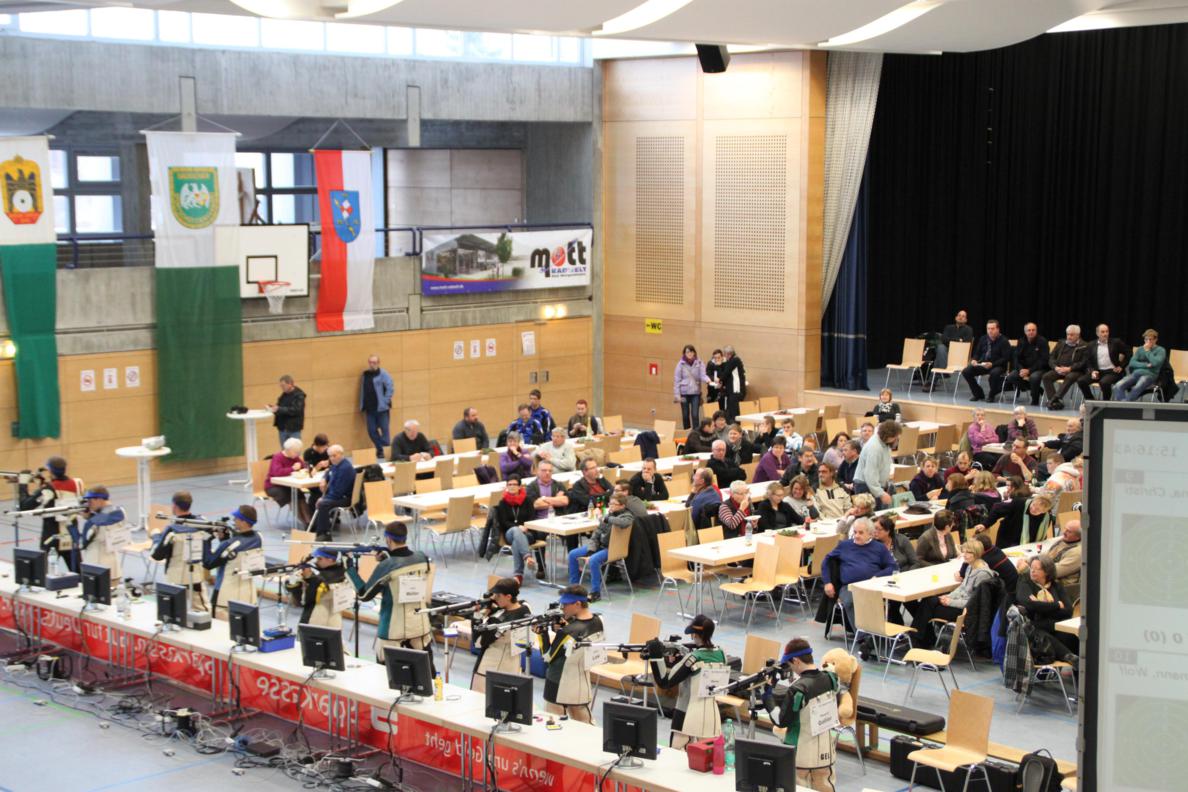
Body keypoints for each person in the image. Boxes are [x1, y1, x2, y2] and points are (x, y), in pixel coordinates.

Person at [348, 521, 434, 663]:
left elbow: (364, 594)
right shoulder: (422, 557)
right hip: (420, 627)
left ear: (388, 539)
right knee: (423, 672)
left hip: (392, 631)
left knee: (385, 674)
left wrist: (349, 568)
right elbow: (404, 570)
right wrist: (388, 558)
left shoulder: (387, 566)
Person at [762, 637, 840, 792]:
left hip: (801, 756)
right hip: (826, 753)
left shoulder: (797, 689)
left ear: (796, 661)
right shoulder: (830, 678)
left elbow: (781, 721)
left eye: (790, 664)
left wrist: (768, 698)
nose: (790, 669)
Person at [647, 614, 728, 750]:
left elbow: (664, 682)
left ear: (695, 634)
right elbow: (700, 671)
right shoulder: (721, 654)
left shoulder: (693, 658)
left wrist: (656, 656)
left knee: (676, 753)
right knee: (706, 756)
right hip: (711, 715)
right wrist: (681, 660)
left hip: (686, 713)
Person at [535, 585, 603, 723]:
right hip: (581, 681)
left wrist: (542, 634)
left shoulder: (567, 632)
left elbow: (547, 657)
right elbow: (575, 639)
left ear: (577, 604)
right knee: (585, 725)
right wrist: (565, 626)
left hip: (557, 682)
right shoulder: (598, 621)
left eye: (565, 604)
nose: (562, 608)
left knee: (554, 725)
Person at [913, 540, 998, 645]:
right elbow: (962, 588)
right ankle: (922, 638)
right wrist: (948, 596)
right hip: (959, 603)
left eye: (968, 552)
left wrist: (950, 602)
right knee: (928, 600)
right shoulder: (970, 566)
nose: (964, 555)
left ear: (976, 553)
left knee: (927, 609)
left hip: (967, 612)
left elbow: (973, 602)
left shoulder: (982, 574)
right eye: (964, 551)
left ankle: (919, 639)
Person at [821, 517, 897, 634]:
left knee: (888, 601)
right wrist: (827, 582)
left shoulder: (879, 548)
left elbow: (892, 566)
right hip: (849, 586)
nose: (856, 536)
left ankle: (880, 633)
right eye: (855, 532)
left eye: (861, 533)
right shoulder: (844, 545)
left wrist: (878, 576)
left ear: (870, 534)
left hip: (872, 586)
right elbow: (826, 560)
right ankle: (863, 637)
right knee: (850, 601)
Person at [567, 492, 633, 601]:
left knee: (593, 560)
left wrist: (607, 519)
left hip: (612, 549)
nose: (610, 506)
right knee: (573, 554)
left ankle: (595, 592)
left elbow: (624, 522)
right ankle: (574, 587)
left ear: (622, 506)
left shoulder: (627, 516)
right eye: (610, 503)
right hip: (600, 546)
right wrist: (591, 550)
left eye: (614, 504)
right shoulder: (609, 516)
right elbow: (597, 534)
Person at [471, 578, 531, 693]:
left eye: (498, 596)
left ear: (508, 596)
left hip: (489, 669)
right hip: (510, 668)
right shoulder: (525, 607)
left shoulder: (498, 619)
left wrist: (478, 616)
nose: (494, 598)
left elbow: (478, 642)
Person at [149, 491, 207, 609]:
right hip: (196, 576)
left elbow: (157, 555)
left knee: (175, 611)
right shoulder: (203, 524)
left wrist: (156, 537)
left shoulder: (172, 530)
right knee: (201, 610)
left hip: (175, 578)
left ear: (174, 506)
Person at [203, 506, 263, 616]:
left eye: (236, 518)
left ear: (244, 522)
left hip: (225, 598)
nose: (234, 520)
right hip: (248, 596)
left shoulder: (230, 544)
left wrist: (206, 539)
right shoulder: (259, 537)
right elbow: (234, 551)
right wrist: (225, 539)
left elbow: (208, 563)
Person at [1015, 556, 1077, 663]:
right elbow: (1029, 604)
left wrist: (1040, 607)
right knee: (1038, 632)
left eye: (1037, 569)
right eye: (1031, 567)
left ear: (1047, 572)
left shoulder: (1056, 586)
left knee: (1071, 635)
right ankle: (1068, 656)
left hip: (1053, 625)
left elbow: (1068, 611)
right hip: (1034, 627)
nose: (1032, 571)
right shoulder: (1025, 583)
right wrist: (1056, 605)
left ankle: (1079, 667)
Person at [488, 475, 543, 583]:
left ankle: (518, 576)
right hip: (509, 532)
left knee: (516, 542)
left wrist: (526, 527)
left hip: (528, 533)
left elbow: (532, 517)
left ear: (520, 487)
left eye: (515, 484)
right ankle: (527, 557)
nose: (512, 486)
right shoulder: (503, 502)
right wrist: (518, 527)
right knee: (515, 531)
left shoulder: (527, 500)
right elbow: (504, 522)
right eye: (509, 484)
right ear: (506, 486)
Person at [285, 548, 349, 628]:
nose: (316, 561)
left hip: (314, 620)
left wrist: (305, 579)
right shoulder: (343, 571)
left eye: (319, 558)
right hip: (335, 621)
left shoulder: (323, 579)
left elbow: (304, 601)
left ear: (330, 560)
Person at [74, 487, 127, 577]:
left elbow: (82, 543)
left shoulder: (93, 523)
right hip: (114, 566)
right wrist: (90, 517)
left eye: (90, 501)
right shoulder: (121, 511)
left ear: (99, 499)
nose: (88, 504)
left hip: (95, 565)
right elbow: (105, 519)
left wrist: (71, 525)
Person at [1041, 325, 1090, 411]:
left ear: (1078, 335)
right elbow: (1051, 357)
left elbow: (1083, 362)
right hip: (1059, 369)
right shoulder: (1061, 343)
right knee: (1046, 376)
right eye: (1068, 334)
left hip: (1075, 371)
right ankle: (1055, 403)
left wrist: (1069, 369)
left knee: (1070, 377)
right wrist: (1056, 367)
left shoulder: (1085, 346)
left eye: (1072, 335)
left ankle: (1054, 400)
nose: (1069, 337)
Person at [313, 444, 356, 541]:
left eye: (334, 455)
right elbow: (329, 472)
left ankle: (324, 533)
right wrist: (324, 478)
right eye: (330, 456)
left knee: (323, 504)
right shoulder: (337, 465)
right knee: (315, 499)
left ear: (341, 454)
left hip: (345, 498)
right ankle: (316, 527)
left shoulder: (345, 468)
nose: (332, 458)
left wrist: (323, 498)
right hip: (340, 495)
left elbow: (338, 492)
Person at [853, 420, 900, 507]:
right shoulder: (874, 448)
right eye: (895, 437)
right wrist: (880, 493)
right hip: (866, 485)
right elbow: (870, 474)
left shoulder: (884, 443)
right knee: (871, 514)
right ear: (888, 436)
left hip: (874, 485)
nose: (896, 439)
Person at [1079, 323, 1129, 401]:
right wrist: (1092, 371)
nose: (1105, 334)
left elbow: (1129, 353)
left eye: (1107, 331)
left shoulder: (1116, 342)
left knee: (1104, 383)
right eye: (1102, 332)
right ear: (1097, 333)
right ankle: (1091, 401)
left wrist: (1121, 366)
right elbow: (1087, 360)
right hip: (1097, 372)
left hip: (1112, 372)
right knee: (1081, 381)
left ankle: (1105, 403)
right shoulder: (1091, 345)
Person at [265, 437, 311, 523]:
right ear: (288, 450)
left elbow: (303, 466)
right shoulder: (278, 457)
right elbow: (277, 472)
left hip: (288, 485)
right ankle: (305, 522)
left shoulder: (294, 457)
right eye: (295, 452)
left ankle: (309, 521)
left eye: (298, 452)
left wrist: (302, 467)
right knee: (291, 497)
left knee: (300, 495)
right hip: (274, 486)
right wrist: (292, 468)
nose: (297, 454)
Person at [1003, 323, 1050, 406]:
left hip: (1039, 368)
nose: (1031, 332)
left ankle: (1035, 399)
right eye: (1029, 330)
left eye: (1033, 330)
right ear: (1025, 332)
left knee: (1034, 377)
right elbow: (1016, 358)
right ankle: (1037, 389)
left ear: (1036, 331)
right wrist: (1021, 369)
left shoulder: (1042, 341)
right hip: (1024, 368)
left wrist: (1029, 370)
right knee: (1011, 376)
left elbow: (1044, 360)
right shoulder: (1021, 341)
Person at [1115, 328, 1167, 401]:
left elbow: (1155, 363)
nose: (1148, 342)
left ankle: (1125, 404)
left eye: (1150, 339)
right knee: (1118, 385)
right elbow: (1132, 363)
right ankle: (1124, 404)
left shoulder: (1161, 350)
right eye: (1146, 339)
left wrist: (1148, 351)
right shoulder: (1140, 349)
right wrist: (1145, 365)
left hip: (1150, 375)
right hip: (1136, 374)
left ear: (1155, 340)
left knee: (1137, 387)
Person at [359, 355, 394, 458]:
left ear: (378, 363)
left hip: (382, 408)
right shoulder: (365, 375)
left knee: (385, 430)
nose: (372, 364)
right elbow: (363, 390)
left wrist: (385, 401)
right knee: (371, 431)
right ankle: (380, 449)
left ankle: (386, 451)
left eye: (374, 362)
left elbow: (390, 388)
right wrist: (362, 404)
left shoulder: (383, 374)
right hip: (370, 408)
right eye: (370, 362)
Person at [1039, 520, 1082, 601]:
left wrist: (1033, 567)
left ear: (1078, 537)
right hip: (1048, 575)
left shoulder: (1077, 552)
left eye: (1069, 531)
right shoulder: (1064, 540)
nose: (1064, 532)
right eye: (1065, 528)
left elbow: (1055, 571)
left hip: (1061, 588)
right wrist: (1029, 560)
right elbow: (1046, 554)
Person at [673, 344, 712, 431]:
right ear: (684, 353)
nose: (689, 353)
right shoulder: (680, 364)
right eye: (687, 352)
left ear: (694, 353)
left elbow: (703, 375)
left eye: (691, 351)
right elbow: (677, 380)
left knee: (695, 415)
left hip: (695, 393)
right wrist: (677, 395)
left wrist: (708, 380)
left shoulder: (699, 363)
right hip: (684, 393)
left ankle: (696, 433)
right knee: (685, 415)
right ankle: (687, 433)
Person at [268, 374, 305, 446]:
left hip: (293, 429)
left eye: (283, 385)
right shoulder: (283, 395)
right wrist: (273, 409)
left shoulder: (299, 395)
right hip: (282, 428)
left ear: (290, 384)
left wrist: (279, 409)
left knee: (295, 450)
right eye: (281, 386)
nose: (282, 388)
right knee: (284, 451)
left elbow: (296, 410)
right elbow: (280, 407)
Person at [718, 345, 747, 421]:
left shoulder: (734, 360)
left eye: (725, 355)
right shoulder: (733, 360)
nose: (724, 357)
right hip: (734, 391)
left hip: (736, 391)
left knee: (734, 413)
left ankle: (734, 426)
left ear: (728, 354)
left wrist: (719, 380)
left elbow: (725, 373)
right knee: (731, 411)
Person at [705, 348, 725, 413]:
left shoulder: (725, 364)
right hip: (712, 389)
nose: (717, 359)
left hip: (721, 390)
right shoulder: (710, 363)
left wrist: (719, 366)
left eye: (718, 358)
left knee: (721, 408)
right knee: (711, 408)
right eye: (715, 358)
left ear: (722, 357)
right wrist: (714, 379)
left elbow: (725, 375)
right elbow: (708, 375)